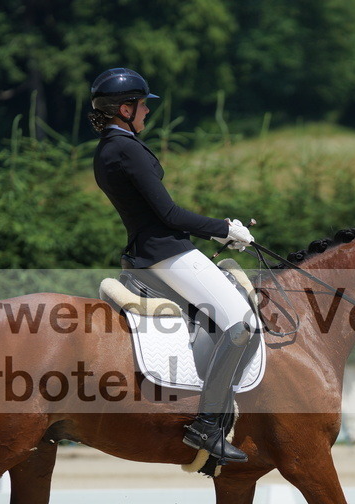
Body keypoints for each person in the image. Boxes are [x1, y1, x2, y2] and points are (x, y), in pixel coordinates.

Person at [90, 67, 256, 465]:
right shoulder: (126, 149)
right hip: (166, 252)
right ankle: (208, 426)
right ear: (125, 108)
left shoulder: (108, 149)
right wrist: (224, 229)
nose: (148, 111)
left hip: (147, 251)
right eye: (143, 105)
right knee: (240, 324)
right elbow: (168, 213)